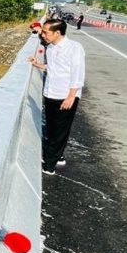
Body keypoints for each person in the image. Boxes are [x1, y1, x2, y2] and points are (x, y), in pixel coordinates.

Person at [27, 19, 85, 175]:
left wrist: (71, 96)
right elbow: (53, 68)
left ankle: (50, 166)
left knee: (60, 130)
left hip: (65, 95)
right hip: (50, 93)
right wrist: (38, 64)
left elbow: (78, 74)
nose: (43, 34)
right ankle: (58, 156)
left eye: (46, 32)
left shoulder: (74, 48)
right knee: (52, 128)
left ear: (57, 32)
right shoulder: (51, 48)